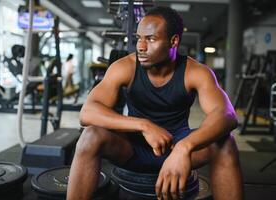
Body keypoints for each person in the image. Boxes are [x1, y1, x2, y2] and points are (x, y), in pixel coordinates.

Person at [67, 6, 243, 200]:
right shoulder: (125, 67)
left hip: (178, 146)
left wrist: (184, 147)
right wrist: (144, 126)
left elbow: (227, 115)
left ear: (173, 41)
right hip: (133, 150)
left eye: (150, 39)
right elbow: (87, 113)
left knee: (226, 142)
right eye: (139, 38)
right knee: (90, 136)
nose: (141, 46)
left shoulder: (195, 72)